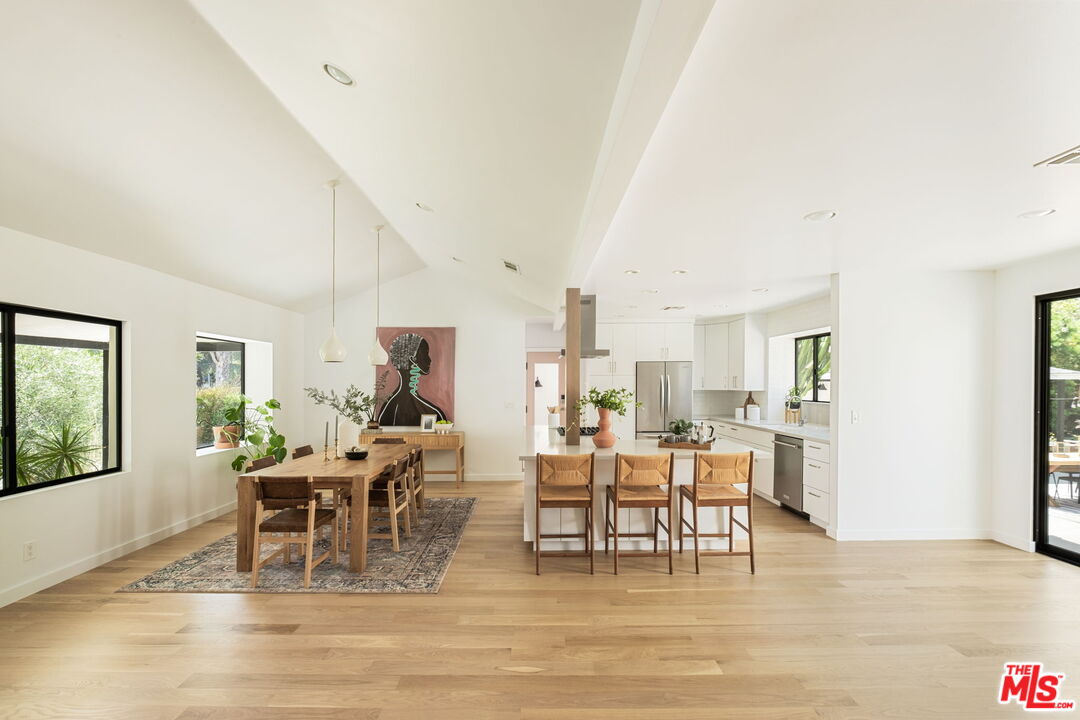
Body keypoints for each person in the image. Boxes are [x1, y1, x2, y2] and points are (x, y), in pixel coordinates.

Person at [377, 333, 448, 426]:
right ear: (413, 359)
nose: (430, 360)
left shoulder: (388, 408)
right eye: (426, 353)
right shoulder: (434, 413)